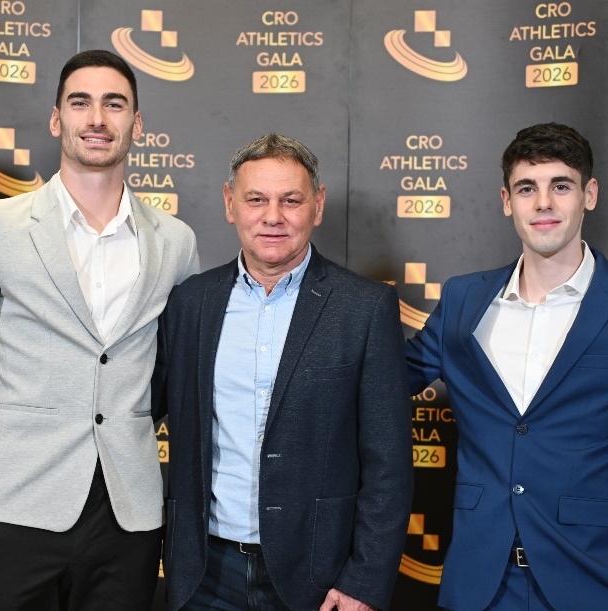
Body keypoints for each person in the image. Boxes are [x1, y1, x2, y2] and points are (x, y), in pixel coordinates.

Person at [0, 49, 199, 610]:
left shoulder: (176, 242)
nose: (97, 118)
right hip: (14, 507)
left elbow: (180, 376)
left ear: (137, 124)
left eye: (114, 104)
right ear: (56, 119)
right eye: (80, 103)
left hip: (129, 516)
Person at [406, 123, 608, 611]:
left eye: (560, 186)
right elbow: (386, 378)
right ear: (506, 200)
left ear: (589, 194)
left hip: (592, 587)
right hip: (478, 586)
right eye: (526, 188)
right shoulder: (462, 299)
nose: (543, 203)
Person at [151, 133, 413, 611]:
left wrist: (365, 581)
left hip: (319, 577)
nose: (273, 216)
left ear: (318, 205)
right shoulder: (190, 302)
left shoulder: (365, 307)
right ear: (230, 203)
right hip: (204, 573)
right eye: (256, 200)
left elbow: (389, 462)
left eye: (291, 200)